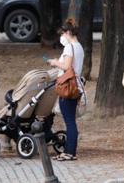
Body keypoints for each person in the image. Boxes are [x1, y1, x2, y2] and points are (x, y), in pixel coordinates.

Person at [47, 20, 85, 161]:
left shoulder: (70, 47)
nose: (62, 36)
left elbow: (67, 66)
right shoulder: (79, 47)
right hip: (76, 86)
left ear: (68, 32)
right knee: (70, 120)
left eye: (63, 33)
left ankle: (70, 152)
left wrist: (55, 62)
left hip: (67, 87)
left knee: (69, 122)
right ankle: (70, 151)